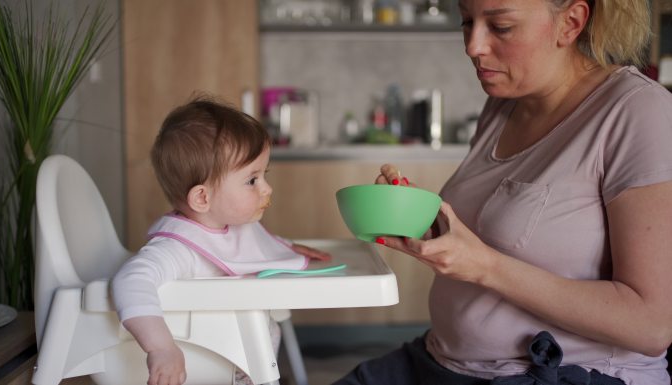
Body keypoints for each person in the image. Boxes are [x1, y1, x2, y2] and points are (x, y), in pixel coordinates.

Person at [334, 0, 672, 384]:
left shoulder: (638, 111)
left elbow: (652, 325)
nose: (473, 46)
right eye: (466, 22)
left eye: (501, 27)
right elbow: (496, 233)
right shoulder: (503, 105)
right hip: (440, 361)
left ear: (570, 22)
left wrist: (485, 266)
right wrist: (422, 219)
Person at [111, 95, 331, 385]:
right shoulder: (178, 248)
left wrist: (283, 248)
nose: (267, 188)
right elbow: (130, 281)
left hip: (243, 362)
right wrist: (161, 347)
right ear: (203, 197)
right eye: (252, 180)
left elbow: (245, 248)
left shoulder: (230, 225)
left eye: (264, 175)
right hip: (207, 369)